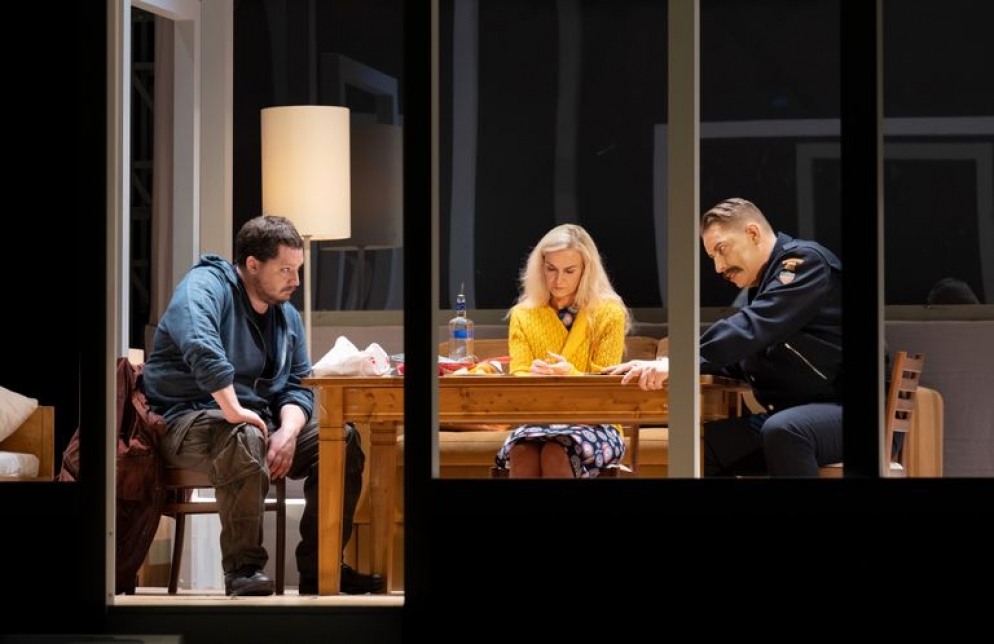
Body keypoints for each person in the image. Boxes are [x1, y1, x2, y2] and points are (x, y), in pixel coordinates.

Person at [142, 215, 384, 596]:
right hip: (185, 421)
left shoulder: (285, 315)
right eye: (286, 269)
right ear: (252, 265)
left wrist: (288, 432)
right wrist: (235, 411)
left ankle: (322, 568)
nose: (296, 281)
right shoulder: (205, 285)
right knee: (243, 435)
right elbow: (201, 346)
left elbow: (298, 386)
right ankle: (244, 569)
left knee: (341, 439)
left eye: (298, 269)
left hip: (257, 426)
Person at [604, 198, 843, 477]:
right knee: (702, 447)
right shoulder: (764, 286)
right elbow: (744, 355)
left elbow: (754, 325)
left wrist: (680, 363)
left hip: (840, 410)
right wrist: (668, 365)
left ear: (752, 233)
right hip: (792, 413)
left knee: (785, 430)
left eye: (722, 249)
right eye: (712, 257)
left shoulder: (805, 263)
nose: (718, 267)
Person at [494, 223, 633, 478]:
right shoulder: (523, 315)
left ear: (586, 270)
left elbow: (608, 387)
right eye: (551, 269)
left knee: (555, 452)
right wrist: (532, 377)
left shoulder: (608, 313)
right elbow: (518, 378)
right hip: (538, 420)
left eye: (569, 271)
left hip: (596, 424)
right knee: (521, 452)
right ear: (540, 267)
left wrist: (571, 375)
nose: (558, 280)